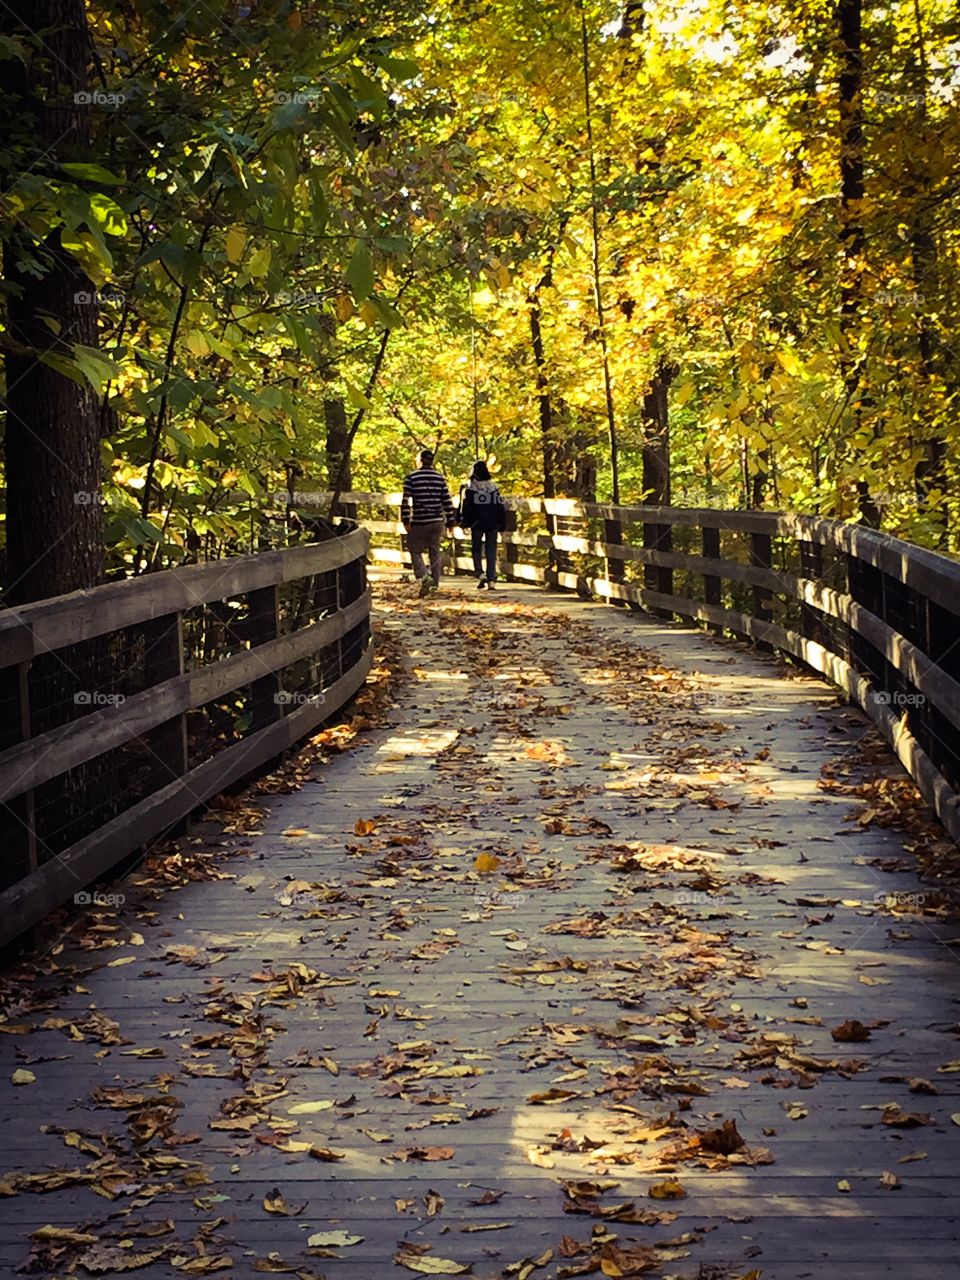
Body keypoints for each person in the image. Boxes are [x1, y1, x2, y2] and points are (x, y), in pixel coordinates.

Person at [401, 449, 456, 596]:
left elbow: (405, 500)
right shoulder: (439, 478)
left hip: (420, 520)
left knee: (415, 550)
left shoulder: (412, 477)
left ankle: (424, 576)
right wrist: (450, 521)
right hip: (437, 521)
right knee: (434, 551)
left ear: (420, 460)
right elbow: (447, 501)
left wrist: (405, 519)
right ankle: (435, 584)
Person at [459, 459, 506, 589]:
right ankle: (491, 580)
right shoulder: (493, 487)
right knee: (491, 550)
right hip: (492, 523)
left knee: (476, 549)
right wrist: (502, 522)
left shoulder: (471, 487)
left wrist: (464, 523)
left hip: (477, 523)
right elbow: (499, 506)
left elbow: (467, 508)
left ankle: (480, 573)